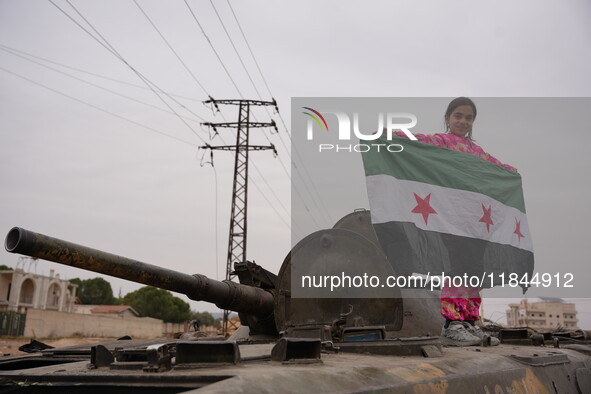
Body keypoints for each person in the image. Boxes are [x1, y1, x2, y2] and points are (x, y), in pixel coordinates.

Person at [398, 97, 516, 346]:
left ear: (473, 121)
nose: (463, 121)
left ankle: (469, 322)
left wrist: (510, 172)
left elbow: (497, 167)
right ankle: (451, 324)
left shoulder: (477, 152)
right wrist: (390, 134)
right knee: (459, 268)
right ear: (448, 118)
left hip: (476, 222)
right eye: (458, 116)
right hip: (452, 220)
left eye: (468, 117)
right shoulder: (440, 143)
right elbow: (416, 140)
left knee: (475, 270)